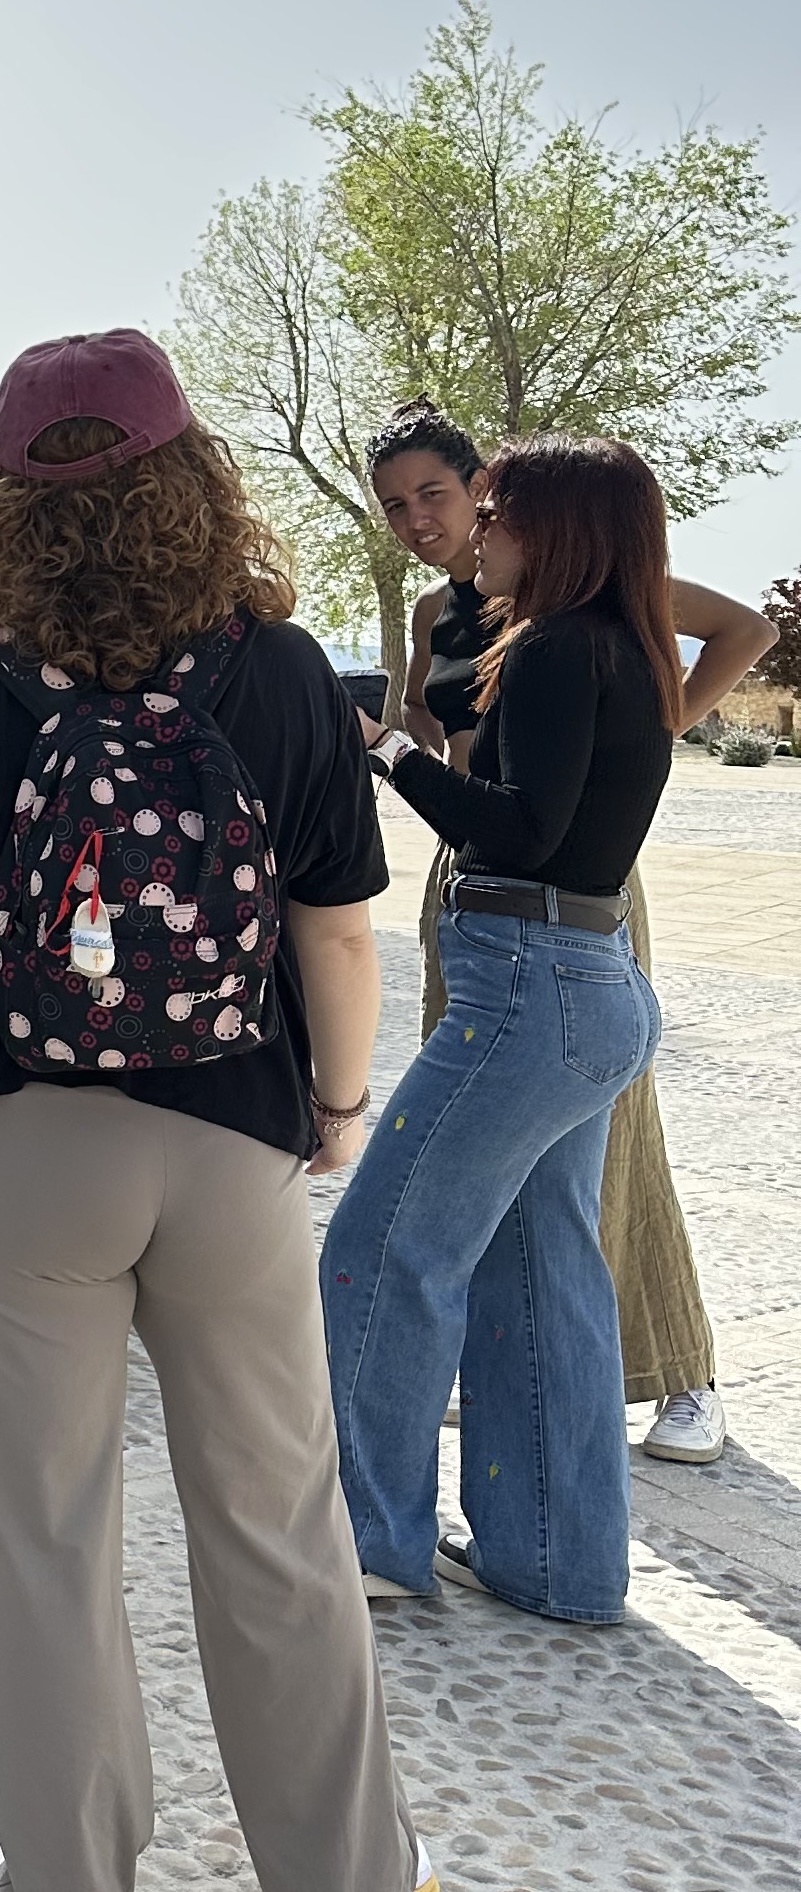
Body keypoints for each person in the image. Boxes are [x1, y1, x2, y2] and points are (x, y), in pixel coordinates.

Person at [0, 329, 431, 1892]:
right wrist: (332, 1105)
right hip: (231, 1136)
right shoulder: (282, 669)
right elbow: (336, 930)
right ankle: (343, 1888)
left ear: (5, 498)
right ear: (190, 475)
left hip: (22, 1143)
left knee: (41, 1535)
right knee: (277, 1514)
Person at [367, 402, 767, 1467]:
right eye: (394, 505)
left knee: (610, 1135)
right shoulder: (437, 610)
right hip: (470, 875)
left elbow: (749, 630)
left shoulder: (583, 584)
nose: (416, 519)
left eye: (434, 493)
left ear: (482, 490)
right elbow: (439, 739)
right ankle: (511, 1369)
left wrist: (651, 728)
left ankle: (680, 1370)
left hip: (571, 878)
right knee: (499, 1149)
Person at [331, 434, 684, 1621]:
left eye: (496, 513)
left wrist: (382, 747)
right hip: (591, 981)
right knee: (543, 1275)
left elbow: (517, 830)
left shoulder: (547, 648)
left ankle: (364, 1543)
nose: (477, 532)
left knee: (383, 1251)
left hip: (526, 987)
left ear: (556, 527)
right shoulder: (625, 646)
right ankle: (556, 1563)